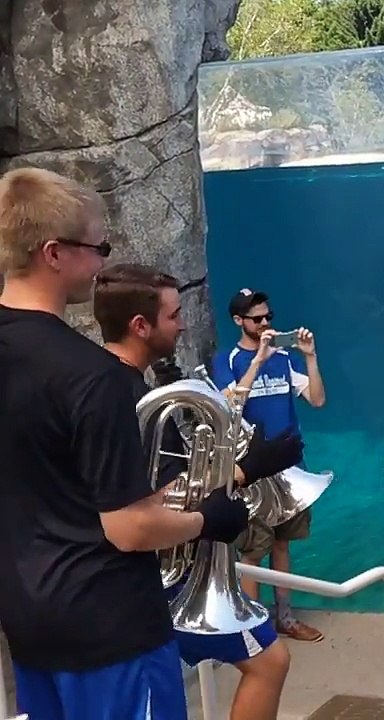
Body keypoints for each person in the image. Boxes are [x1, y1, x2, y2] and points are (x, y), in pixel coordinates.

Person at [0, 167, 248, 719]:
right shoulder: (92, 375)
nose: (101, 264)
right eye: (97, 247)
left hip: (28, 618)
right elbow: (128, 528)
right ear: (54, 253)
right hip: (110, 627)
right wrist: (210, 519)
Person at [93, 262, 301, 720]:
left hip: (139, 583)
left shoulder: (108, 382)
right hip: (152, 581)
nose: (183, 322)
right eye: (174, 314)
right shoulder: (124, 395)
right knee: (270, 661)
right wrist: (246, 471)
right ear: (140, 326)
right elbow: (159, 498)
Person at [210, 287, 327, 643]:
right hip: (251, 469)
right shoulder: (227, 360)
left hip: (289, 467)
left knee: (282, 544)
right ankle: (252, 628)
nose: (265, 324)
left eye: (268, 317)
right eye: (257, 318)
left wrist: (309, 357)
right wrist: (258, 360)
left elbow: (317, 400)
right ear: (238, 321)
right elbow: (229, 406)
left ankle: (285, 619)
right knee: (253, 550)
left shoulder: (284, 359)